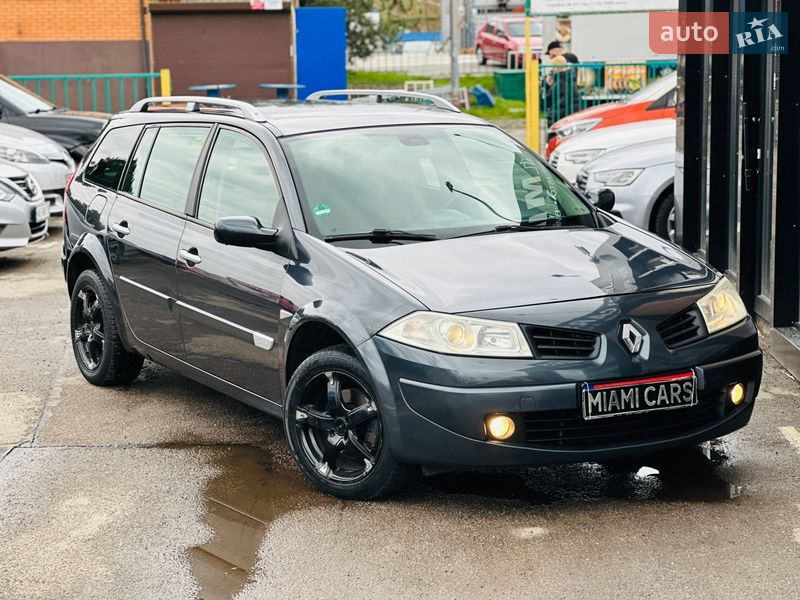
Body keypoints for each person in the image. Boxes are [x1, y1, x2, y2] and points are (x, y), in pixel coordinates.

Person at [544, 55, 580, 126]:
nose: (552, 70)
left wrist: (547, 86)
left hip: (558, 119)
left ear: (557, 67)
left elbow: (546, 102)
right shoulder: (570, 78)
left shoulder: (559, 82)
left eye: (553, 67)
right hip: (569, 116)